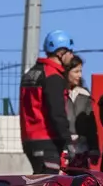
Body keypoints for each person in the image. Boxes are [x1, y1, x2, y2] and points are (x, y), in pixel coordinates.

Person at [19, 30, 75, 173]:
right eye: (70, 51)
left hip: (29, 139)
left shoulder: (31, 74)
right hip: (46, 139)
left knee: (39, 183)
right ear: (61, 52)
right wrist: (67, 141)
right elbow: (56, 112)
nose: (72, 55)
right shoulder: (53, 76)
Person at [65, 58, 99, 163]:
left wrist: (94, 148)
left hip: (81, 150)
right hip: (63, 149)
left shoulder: (84, 95)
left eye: (81, 71)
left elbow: (91, 125)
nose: (79, 75)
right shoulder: (59, 93)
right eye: (76, 72)